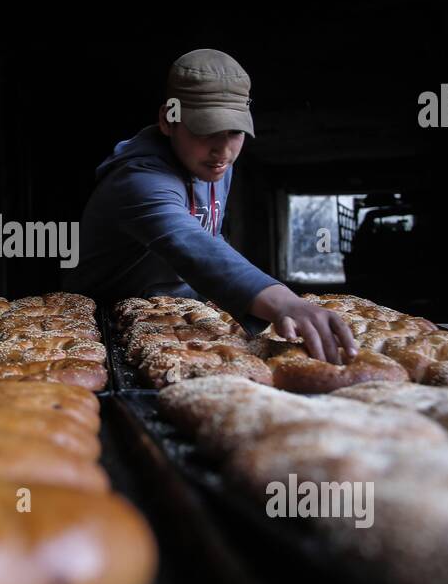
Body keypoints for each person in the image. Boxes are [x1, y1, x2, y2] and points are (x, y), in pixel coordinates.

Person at [64, 49, 357, 363]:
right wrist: (284, 301)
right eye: (205, 130)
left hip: (174, 313)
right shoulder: (138, 180)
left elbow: (209, 233)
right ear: (168, 119)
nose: (223, 151)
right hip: (101, 325)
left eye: (235, 132)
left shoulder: (214, 165)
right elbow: (188, 240)